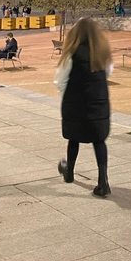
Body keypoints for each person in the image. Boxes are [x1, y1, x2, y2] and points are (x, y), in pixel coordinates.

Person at [54, 18, 113, 197]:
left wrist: (67, 98)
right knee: (99, 141)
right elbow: (109, 72)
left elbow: (60, 80)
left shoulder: (72, 53)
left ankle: (69, 172)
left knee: (73, 138)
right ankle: (103, 181)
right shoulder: (102, 54)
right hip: (98, 104)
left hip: (76, 103)